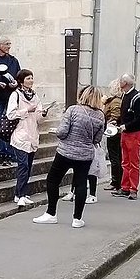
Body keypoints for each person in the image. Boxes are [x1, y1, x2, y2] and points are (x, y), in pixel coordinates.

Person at [33, 84, 105, 227]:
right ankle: (77, 219)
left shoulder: (73, 110)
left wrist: (57, 132)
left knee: (53, 180)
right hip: (85, 155)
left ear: (83, 95)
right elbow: (97, 139)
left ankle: (51, 213)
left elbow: (62, 132)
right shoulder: (100, 116)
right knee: (81, 184)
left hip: (65, 152)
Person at [7, 69, 47, 207]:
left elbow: (38, 118)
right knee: (23, 165)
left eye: (32, 78)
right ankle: (21, 194)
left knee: (28, 166)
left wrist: (42, 114)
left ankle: (20, 193)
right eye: (28, 78)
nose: (31, 80)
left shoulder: (35, 96)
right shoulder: (15, 95)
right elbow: (10, 114)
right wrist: (26, 111)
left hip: (32, 134)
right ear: (21, 80)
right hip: (20, 134)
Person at [113, 73, 140, 200]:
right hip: (126, 132)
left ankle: (133, 189)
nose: (119, 83)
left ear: (126, 83)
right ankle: (125, 187)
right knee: (125, 162)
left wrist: (127, 126)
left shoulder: (137, 97)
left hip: (134, 133)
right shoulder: (125, 95)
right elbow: (125, 115)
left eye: (121, 81)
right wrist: (117, 122)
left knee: (133, 162)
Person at [103, 80, 124, 190]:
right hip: (116, 131)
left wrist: (111, 122)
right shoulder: (115, 100)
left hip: (113, 132)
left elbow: (115, 116)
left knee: (114, 157)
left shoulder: (115, 101)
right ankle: (117, 180)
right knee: (117, 157)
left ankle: (115, 181)